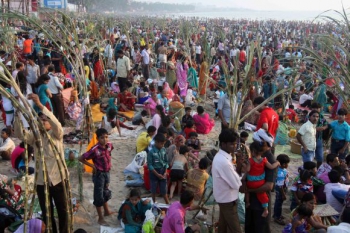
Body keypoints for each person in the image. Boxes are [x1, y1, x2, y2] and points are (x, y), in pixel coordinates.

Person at [14, 93, 68, 233]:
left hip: (57, 178)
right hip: (41, 181)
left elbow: (57, 124)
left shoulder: (56, 135)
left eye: (44, 120)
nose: (42, 122)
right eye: (40, 120)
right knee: (46, 212)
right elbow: (20, 134)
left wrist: (40, 105)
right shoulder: (35, 138)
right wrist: (18, 112)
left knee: (63, 210)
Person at [79, 128, 115, 226]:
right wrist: (92, 166)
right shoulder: (95, 149)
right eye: (102, 138)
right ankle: (100, 217)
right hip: (99, 174)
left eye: (106, 137)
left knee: (105, 191)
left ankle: (106, 211)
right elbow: (81, 158)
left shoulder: (109, 146)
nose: (105, 139)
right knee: (98, 195)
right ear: (98, 138)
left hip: (107, 173)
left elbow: (109, 154)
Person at [245, 128, 276, 233]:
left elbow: (269, 186)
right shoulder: (257, 157)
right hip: (253, 203)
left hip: (261, 203)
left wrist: (250, 190)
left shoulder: (269, 160)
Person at [212, 129, 242, 233]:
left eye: (235, 144)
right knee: (236, 229)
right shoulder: (223, 162)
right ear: (223, 144)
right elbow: (236, 184)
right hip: (227, 200)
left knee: (223, 227)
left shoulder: (222, 158)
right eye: (232, 144)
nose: (234, 146)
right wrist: (245, 172)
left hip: (223, 198)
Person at [244, 140, 280, 218]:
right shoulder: (264, 160)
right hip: (260, 182)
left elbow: (247, 170)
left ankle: (247, 202)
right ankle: (265, 209)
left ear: (252, 151)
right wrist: (277, 163)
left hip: (251, 182)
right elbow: (271, 167)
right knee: (262, 195)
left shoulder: (251, 161)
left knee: (247, 191)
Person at [147, 133, 169, 204]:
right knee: (153, 189)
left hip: (162, 171)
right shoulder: (151, 152)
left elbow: (166, 162)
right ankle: (154, 202)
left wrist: (165, 172)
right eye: (161, 144)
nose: (162, 145)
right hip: (154, 172)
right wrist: (157, 174)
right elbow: (150, 165)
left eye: (163, 144)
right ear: (156, 142)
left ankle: (167, 203)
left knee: (164, 190)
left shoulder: (163, 150)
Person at [273, 154, 290, 225]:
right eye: (284, 164)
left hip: (283, 188)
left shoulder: (282, 170)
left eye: (287, 163)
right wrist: (283, 194)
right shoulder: (280, 173)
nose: (286, 165)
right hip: (281, 190)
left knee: (279, 202)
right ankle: (277, 217)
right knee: (279, 203)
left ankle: (277, 214)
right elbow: (280, 186)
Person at [311, 102, 328, 168]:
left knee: (320, 158)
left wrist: (324, 128)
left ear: (320, 109)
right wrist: (318, 129)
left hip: (319, 139)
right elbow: (308, 127)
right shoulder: (309, 116)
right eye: (314, 108)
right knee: (310, 157)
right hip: (310, 139)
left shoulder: (321, 117)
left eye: (317, 108)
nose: (316, 109)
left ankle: (318, 171)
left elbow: (326, 124)